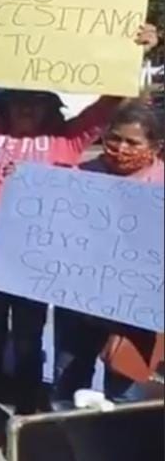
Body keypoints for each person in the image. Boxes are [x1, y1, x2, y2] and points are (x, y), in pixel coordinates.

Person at [0, 20, 158, 444]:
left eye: (37, 102)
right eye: (20, 100)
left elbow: (111, 100)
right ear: (6, 104)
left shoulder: (68, 141)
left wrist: (139, 51)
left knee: (29, 336)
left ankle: (26, 413)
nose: (27, 109)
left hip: (41, 252)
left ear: (50, 107)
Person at [50, 102, 163, 407]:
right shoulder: (81, 174)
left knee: (124, 382)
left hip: (134, 307)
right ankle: (65, 442)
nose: (121, 147)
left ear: (154, 146)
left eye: (132, 142)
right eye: (114, 138)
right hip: (79, 299)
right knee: (68, 376)